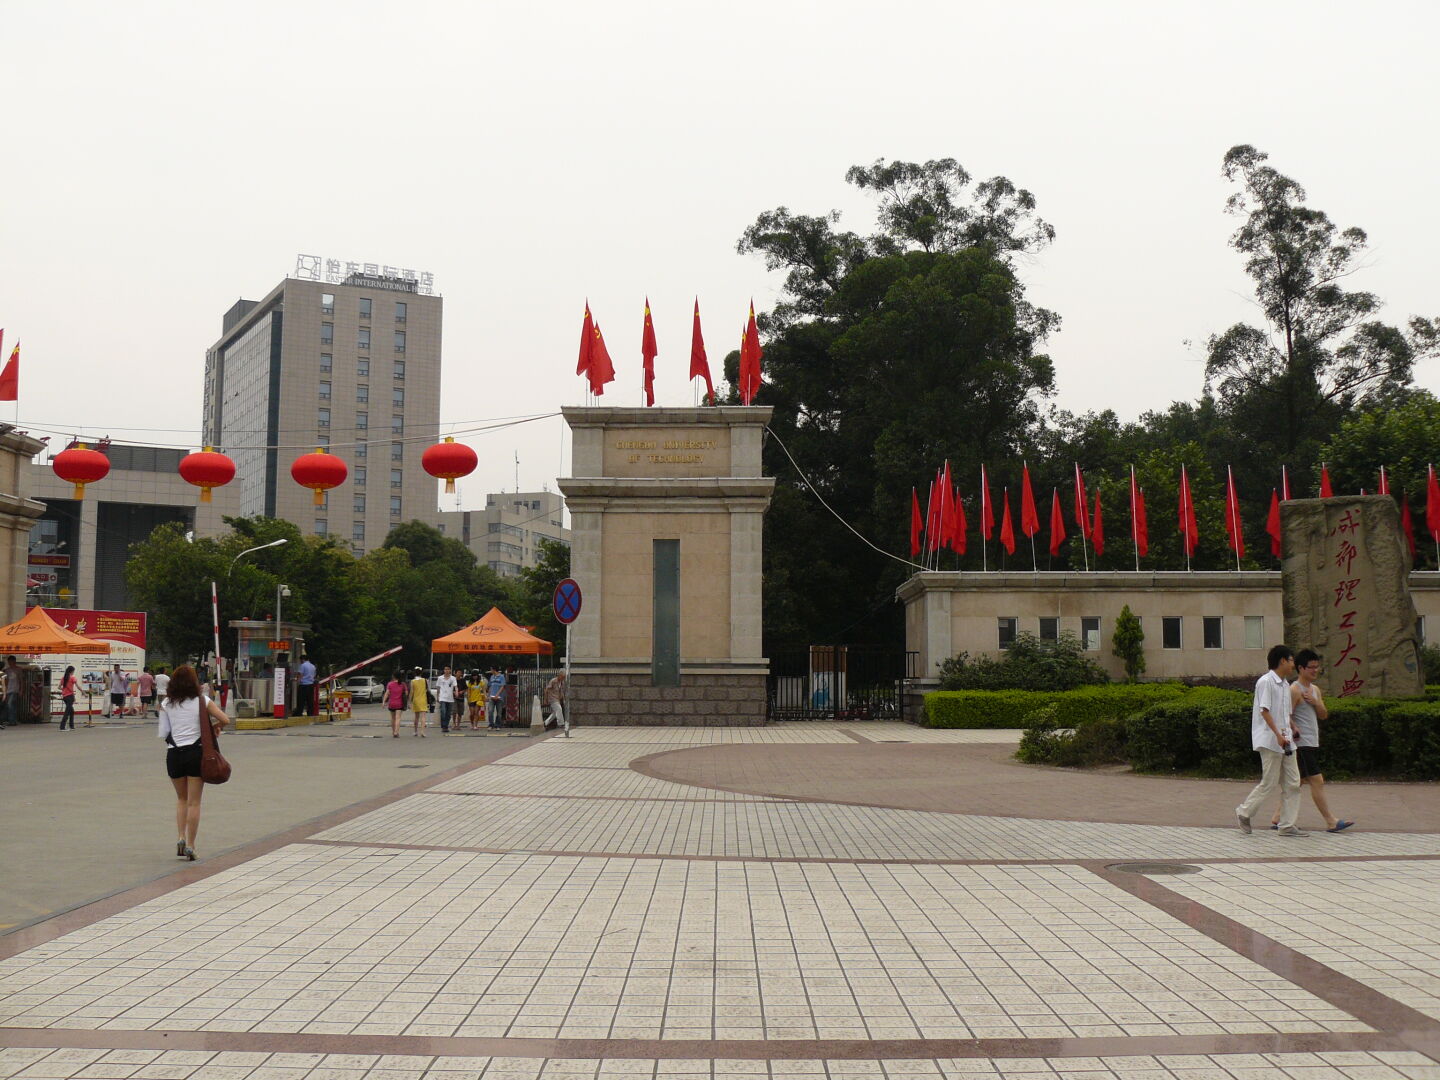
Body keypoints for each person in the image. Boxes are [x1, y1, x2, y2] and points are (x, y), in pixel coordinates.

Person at [1269, 649, 1355, 834]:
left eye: (1317, 667)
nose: (1315, 670)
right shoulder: (1294, 690)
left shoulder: (1315, 690)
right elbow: (1284, 715)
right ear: (1301, 668)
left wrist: (1315, 702)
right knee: (1317, 780)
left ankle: (1278, 817)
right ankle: (1331, 821)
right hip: (1301, 744)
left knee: (1297, 782)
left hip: (1311, 741)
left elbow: (1323, 715)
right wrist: (1293, 727)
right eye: (1311, 667)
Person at [158, 663, 230, 861]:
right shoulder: (202, 701)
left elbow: (163, 732)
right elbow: (225, 719)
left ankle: (181, 837)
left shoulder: (166, 703)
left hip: (174, 754)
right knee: (194, 802)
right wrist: (215, 727)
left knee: (181, 799)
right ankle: (191, 845)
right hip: (196, 754)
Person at [1236, 645, 1306, 836]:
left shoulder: (1285, 684)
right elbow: (1264, 711)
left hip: (1286, 739)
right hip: (1270, 740)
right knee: (1269, 782)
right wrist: (1277, 735)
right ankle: (1244, 812)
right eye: (1291, 660)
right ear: (1282, 661)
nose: (1293, 664)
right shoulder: (1266, 682)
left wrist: (1292, 727)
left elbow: (1284, 713)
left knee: (1293, 783)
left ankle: (1287, 825)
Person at [385, 670, 406, 738]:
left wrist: (383, 702)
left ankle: (393, 731)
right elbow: (406, 693)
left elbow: (387, 693)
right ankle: (396, 732)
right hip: (399, 704)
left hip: (391, 703)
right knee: (398, 718)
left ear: (393, 676)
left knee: (392, 718)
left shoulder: (390, 684)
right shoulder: (402, 684)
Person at [435, 666, 457, 733]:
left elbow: (455, 686)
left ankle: (446, 726)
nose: (446, 670)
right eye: (445, 669)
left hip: (450, 698)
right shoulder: (440, 678)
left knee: (448, 713)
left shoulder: (453, 678)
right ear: (444, 670)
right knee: (443, 711)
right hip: (442, 697)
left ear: (450, 670)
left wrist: (456, 691)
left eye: (448, 669)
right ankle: (443, 726)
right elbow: (438, 688)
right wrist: (437, 696)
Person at [409, 667, 429, 737]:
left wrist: (409, 701)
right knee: (423, 716)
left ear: (415, 673)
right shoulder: (425, 680)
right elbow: (427, 690)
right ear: (421, 673)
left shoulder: (413, 681)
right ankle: (422, 731)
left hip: (416, 700)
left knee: (416, 717)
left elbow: (411, 692)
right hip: (423, 700)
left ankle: (415, 731)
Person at [59, 665, 79, 730]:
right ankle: (62, 727)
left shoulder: (63, 678)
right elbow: (78, 686)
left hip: (65, 696)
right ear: (72, 671)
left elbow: (59, 687)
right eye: (73, 671)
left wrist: (64, 690)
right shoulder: (72, 678)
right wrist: (83, 692)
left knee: (71, 711)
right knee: (67, 712)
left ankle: (71, 726)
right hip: (70, 696)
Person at [2, 655, 20, 728]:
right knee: (11, 706)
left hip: (15, 690)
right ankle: (13, 720)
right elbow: (5, 681)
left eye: (11, 661)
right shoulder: (6, 670)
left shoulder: (18, 669)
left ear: (14, 661)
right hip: (8, 690)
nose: (10, 663)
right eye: (9, 661)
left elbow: (21, 680)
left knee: (10, 705)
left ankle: (12, 720)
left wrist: (21, 690)